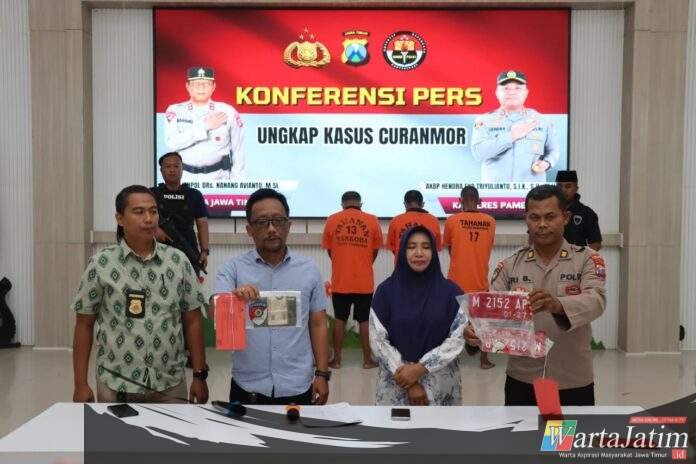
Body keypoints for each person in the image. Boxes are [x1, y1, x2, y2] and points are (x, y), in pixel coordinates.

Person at [464, 185, 606, 406]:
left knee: (565, 431)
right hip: (522, 380)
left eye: (550, 217)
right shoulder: (509, 266)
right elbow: (490, 317)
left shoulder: (587, 259)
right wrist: (475, 331)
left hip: (573, 380)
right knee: (522, 430)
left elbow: (596, 300)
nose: (542, 224)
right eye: (535, 217)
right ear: (526, 220)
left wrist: (557, 305)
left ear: (566, 217)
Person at [71, 185, 209, 404]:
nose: (149, 219)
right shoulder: (102, 264)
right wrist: (80, 384)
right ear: (120, 218)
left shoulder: (178, 261)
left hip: (170, 384)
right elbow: (84, 324)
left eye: (153, 211)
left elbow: (192, 320)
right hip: (116, 384)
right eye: (139, 212)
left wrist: (199, 376)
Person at [213, 188, 330, 405]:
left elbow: (318, 323)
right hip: (247, 388)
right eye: (262, 222)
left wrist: (322, 374)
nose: (271, 229)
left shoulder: (309, 270)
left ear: (288, 226)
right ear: (249, 229)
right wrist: (232, 300)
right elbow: (217, 314)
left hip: (297, 386)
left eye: (278, 221)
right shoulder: (232, 269)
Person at [370, 226, 466, 406]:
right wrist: (409, 381)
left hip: (439, 386)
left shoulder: (451, 292)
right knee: (395, 426)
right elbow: (377, 340)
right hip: (397, 384)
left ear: (434, 252)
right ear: (402, 251)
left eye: (426, 247)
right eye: (411, 247)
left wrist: (421, 369)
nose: (419, 253)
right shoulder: (386, 292)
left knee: (441, 425)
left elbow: (458, 338)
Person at [322, 191, 382, 370]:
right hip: (364, 282)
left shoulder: (332, 220)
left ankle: (337, 360)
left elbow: (330, 251)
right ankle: (367, 360)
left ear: (342, 204)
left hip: (341, 281)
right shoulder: (372, 220)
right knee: (364, 320)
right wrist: (364, 264)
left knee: (339, 318)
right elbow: (375, 250)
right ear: (360, 204)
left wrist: (342, 264)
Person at [471, 70, 560, 182]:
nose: (512, 92)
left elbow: (553, 150)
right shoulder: (484, 121)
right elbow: (478, 153)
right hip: (496, 190)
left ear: (526, 92)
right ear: (497, 92)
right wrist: (511, 136)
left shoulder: (542, 120)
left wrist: (547, 163)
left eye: (518, 88)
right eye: (506, 88)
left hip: (533, 191)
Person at [443, 186, 497, 369]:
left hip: (455, 283)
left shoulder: (451, 221)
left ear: (460, 201)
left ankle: (448, 360)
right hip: (480, 281)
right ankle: (484, 361)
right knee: (483, 323)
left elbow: (451, 249)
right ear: (479, 201)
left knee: (452, 323)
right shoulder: (490, 221)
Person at [164, 67, 245, 181]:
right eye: (196, 84)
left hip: (219, 177)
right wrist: (205, 127)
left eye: (206, 84)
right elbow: (172, 143)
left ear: (213, 86)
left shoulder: (228, 111)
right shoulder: (175, 111)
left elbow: (238, 150)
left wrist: (236, 183)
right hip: (185, 178)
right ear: (188, 86)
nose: (201, 87)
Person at [152, 152, 210, 275]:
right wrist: (155, 230)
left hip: (188, 247)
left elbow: (202, 223)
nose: (172, 170)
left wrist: (204, 251)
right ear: (161, 170)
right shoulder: (151, 194)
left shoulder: (194, 194)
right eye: (168, 166)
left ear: (182, 169)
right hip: (158, 250)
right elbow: (142, 219)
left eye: (176, 166)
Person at [386, 190, 442, 259]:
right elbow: (436, 249)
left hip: (402, 264)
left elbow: (394, 249)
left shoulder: (395, 221)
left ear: (405, 204)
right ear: (423, 204)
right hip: (427, 264)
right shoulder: (434, 221)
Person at [555, 170, 602, 251]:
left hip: (576, 258)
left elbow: (595, 244)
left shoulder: (587, 213)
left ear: (576, 189)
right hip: (550, 258)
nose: (563, 190)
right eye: (560, 186)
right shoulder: (548, 211)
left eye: (568, 186)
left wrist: (582, 257)